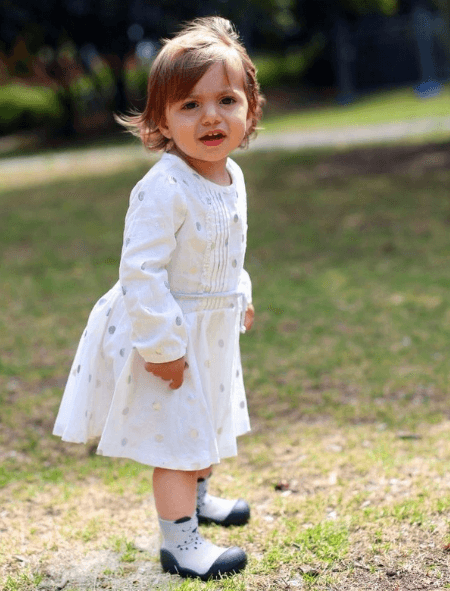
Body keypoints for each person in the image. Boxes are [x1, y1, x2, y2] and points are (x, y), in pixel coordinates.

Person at [53, 16, 264, 581]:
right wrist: (162, 347)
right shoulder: (163, 187)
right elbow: (141, 273)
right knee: (179, 439)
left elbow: (228, 248)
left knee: (211, 419)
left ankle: (198, 502)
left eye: (226, 99)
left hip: (212, 327)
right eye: (189, 106)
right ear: (161, 121)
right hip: (168, 330)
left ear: (250, 109)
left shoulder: (232, 176)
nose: (211, 116)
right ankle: (178, 541)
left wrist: (239, 290)